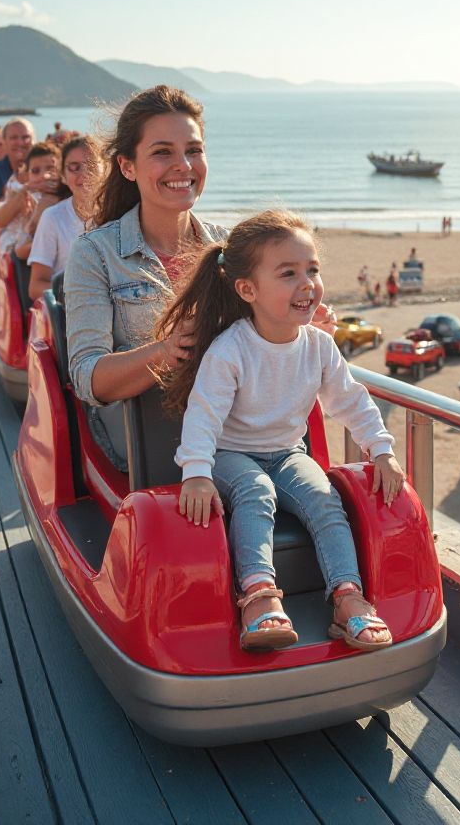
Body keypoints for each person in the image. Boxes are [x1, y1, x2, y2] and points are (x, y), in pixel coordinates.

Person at [158, 209, 402, 652]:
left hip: (287, 453)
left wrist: (380, 450)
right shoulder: (231, 348)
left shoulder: (319, 346)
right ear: (248, 289)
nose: (307, 283)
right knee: (255, 492)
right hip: (229, 455)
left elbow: (350, 400)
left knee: (326, 500)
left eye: (312, 270)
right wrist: (195, 470)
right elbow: (204, 414)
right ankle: (258, 597)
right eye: (288, 273)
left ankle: (347, 598)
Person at [65, 85, 228, 469]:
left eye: (193, 150)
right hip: (145, 443)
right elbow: (88, 377)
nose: (183, 166)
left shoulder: (229, 249)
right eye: (162, 152)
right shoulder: (94, 254)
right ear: (127, 166)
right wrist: (165, 353)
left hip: (225, 432)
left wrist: (294, 325)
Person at [26, 137, 99, 296]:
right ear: (63, 176)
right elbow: (36, 285)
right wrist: (77, 294)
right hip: (69, 310)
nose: (85, 173)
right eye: (75, 167)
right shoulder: (53, 217)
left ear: (105, 170)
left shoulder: (121, 214)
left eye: (92, 165)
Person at [0, 142, 60, 254]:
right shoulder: (25, 193)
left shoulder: (65, 193)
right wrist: (22, 195)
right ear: (26, 175)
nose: (44, 175)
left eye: (50, 169)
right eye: (35, 171)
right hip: (20, 251)